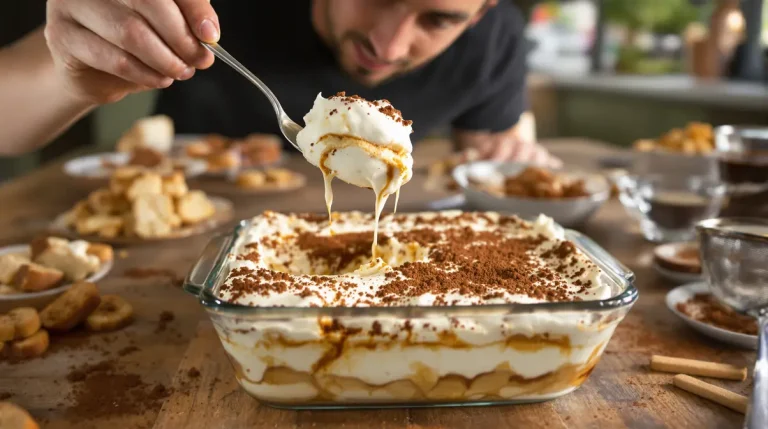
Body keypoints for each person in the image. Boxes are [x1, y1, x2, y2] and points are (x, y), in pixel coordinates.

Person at [2, 0, 559, 166]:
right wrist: (74, 78)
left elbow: (491, 148)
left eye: (438, 20)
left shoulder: (495, 40)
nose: (387, 48)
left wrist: (508, 153)